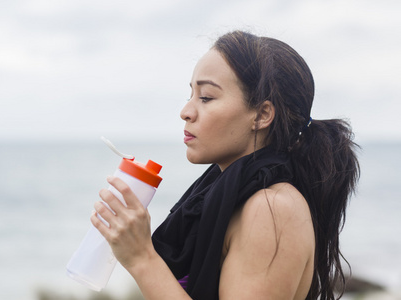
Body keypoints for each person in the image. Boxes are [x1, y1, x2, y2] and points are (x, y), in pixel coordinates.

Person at [91, 30, 360, 300]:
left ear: (262, 114)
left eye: (206, 97)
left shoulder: (272, 209)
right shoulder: (231, 196)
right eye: (191, 95)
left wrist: (142, 258)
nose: (186, 111)